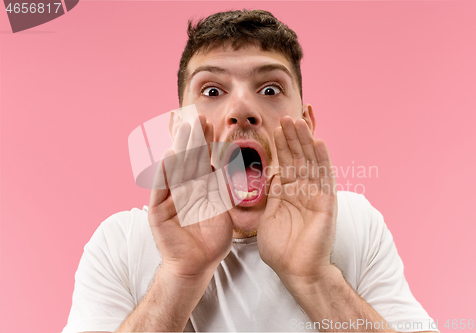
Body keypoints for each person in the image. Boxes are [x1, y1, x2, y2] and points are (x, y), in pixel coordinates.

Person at [63, 9, 438, 333]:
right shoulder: (120, 244)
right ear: (180, 130)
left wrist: (314, 278)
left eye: (271, 89)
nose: (242, 108)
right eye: (211, 91)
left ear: (305, 122)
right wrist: (180, 276)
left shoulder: (356, 224)